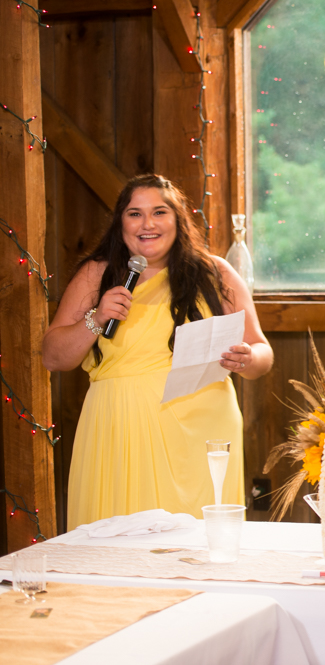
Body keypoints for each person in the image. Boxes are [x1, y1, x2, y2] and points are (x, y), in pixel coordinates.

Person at [43, 174, 274, 529]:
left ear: (178, 219)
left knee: (197, 547)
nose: (147, 224)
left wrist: (248, 358)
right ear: (120, 222)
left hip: (203, 431)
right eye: (135, 213)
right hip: (120, 431)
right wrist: (97, 317)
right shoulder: (98, 275)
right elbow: (54, 358)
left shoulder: (215, 273)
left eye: (159, 212)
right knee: (118, 546)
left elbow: (262, 353)